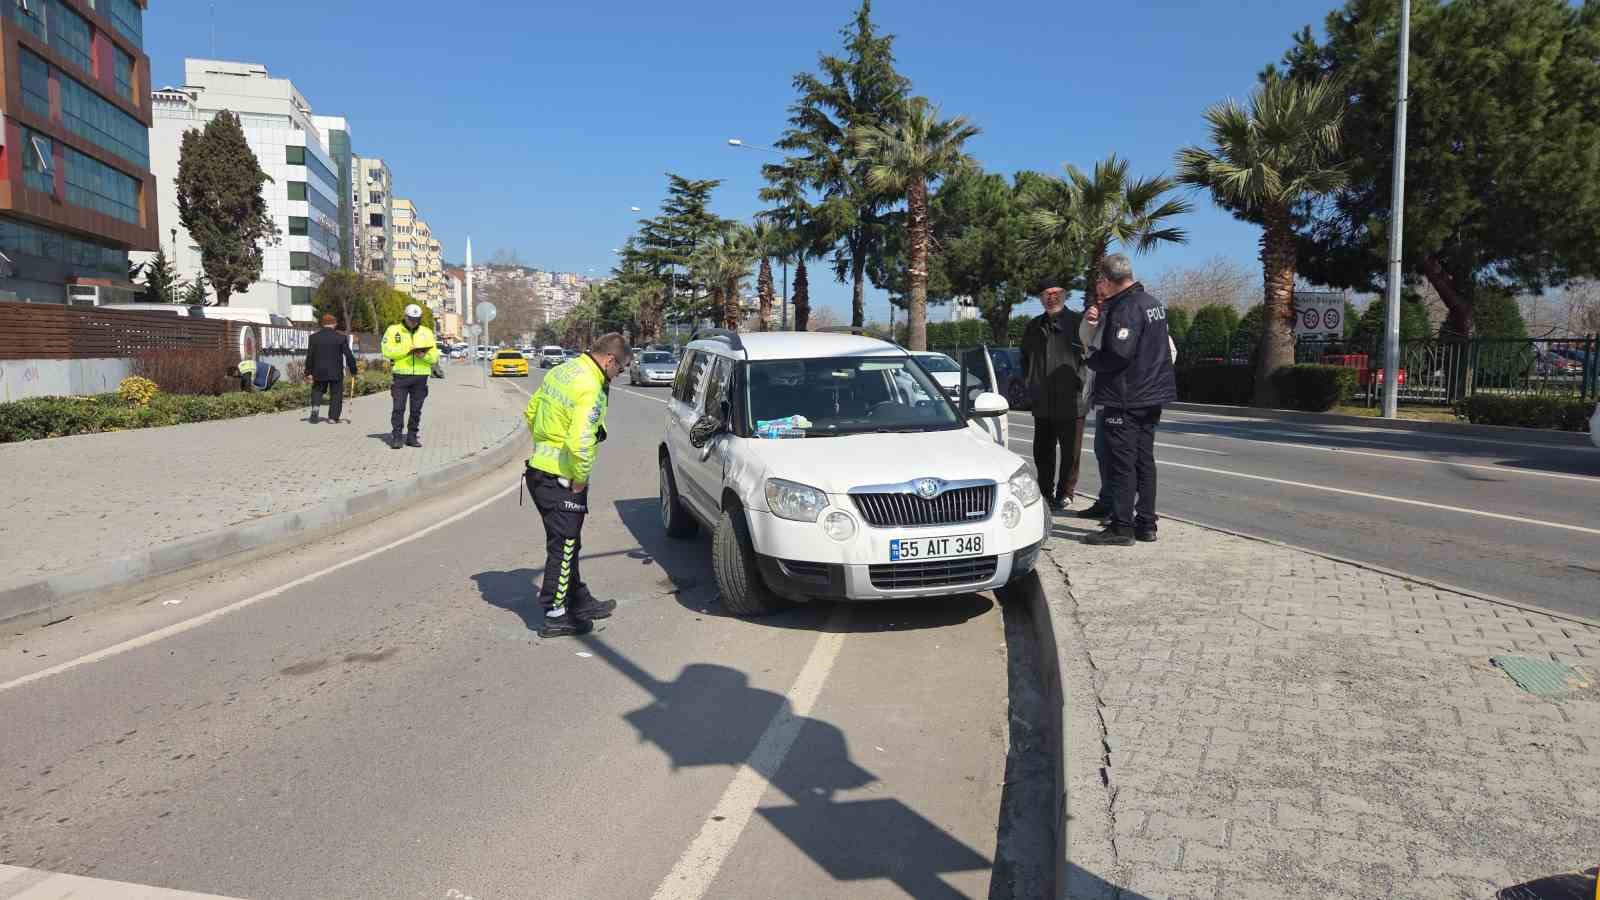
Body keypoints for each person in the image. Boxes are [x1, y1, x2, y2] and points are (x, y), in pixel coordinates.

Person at [523, 332, 633, 638]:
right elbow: (581, 442)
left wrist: (546, 445)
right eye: (620, 368)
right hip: (563, 476)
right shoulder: (590, 386)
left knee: (568, 542)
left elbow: (531, 412)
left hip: (539, 470)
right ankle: (555, 613)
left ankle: (578, 599)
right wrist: (579, 478)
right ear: (610, 360)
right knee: (565, 545)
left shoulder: (563, 370)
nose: (619, 374)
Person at [1082, 254, 1177, 547]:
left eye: (1101, 280)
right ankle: (1146, 523)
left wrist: (1091, 358)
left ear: (1108, 281)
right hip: (1151, 395)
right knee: (1144, 461)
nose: (1099, 285)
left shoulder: (1126, 308)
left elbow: (1119, 354)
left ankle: (1121, 527)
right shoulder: (1153, 304)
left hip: (1125, 397)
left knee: (1122, 463)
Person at [1020, 286, 1087, 511]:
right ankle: (1045, 492)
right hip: (1043, 400)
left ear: (1065, 295)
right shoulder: (1033, 327)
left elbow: (1090, 358)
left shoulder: (1079, 323)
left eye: (1056, 293)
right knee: (1042, 451)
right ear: (1041, 299)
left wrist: (1081, 383)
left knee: (1071, 452)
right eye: (1046, 294)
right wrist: (1030, 384)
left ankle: (1066, 492)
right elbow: (1025, 359)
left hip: (1072, 400)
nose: (1051, 297)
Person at [381, 304, 440, 450]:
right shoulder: (393, 330)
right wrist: (407, 350)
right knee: (398, 408)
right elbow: (387, 351)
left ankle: (412, 436)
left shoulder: (426, 332)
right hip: (401, 375)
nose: (414, 322)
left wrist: (423, 355)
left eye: (417, 319)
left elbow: (434, 357)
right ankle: (397, 437)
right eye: (411, 319)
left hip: (420, 377)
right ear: (405, 316)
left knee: (416, 409)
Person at [304, 314, 358, 424]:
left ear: (322, 324)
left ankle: (315, 408)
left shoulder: (314, 338)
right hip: (336, 371)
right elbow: (348, 355)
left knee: (317, 390)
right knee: (336, 394)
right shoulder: (340, 338)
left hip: (319, 371)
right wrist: (353, 369)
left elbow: (310, 356)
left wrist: (308, 371)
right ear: (334, 324)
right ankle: (333, 418)